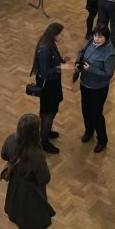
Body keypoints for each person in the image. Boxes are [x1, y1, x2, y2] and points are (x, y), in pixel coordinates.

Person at [1, 114, 55, 229]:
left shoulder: (11, 139)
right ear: (35, 132)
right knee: (27, 222)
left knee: (22, 219)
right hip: (30, 194)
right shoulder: (37, 154)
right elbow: (44, 179)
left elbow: (4, 155)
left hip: (15, 187)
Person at [30, 22, 74, 153]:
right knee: (50, 112)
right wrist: (61, 67)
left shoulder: (50, 44)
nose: (62, 37)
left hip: (52, 83)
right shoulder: (45, 49)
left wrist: (63, 60)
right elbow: (45, 71)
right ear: (54, 35)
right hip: (48, 85)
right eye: (60, 34)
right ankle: (44, 142)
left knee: (46, 110)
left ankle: (46, 131)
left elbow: (53, 60)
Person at [78, 24, 115, 153]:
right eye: (95, 35)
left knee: (96, 113)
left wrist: (91, 69)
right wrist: (78, 61)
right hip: (84, 83)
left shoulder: (110, 53)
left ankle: (102, 140)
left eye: (100, 37)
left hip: (98, 88)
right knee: (85, 109)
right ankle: (89, 130)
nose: (96, 39)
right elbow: (82, 51)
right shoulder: (91, 41)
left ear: (106, 38)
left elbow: (108, 74)